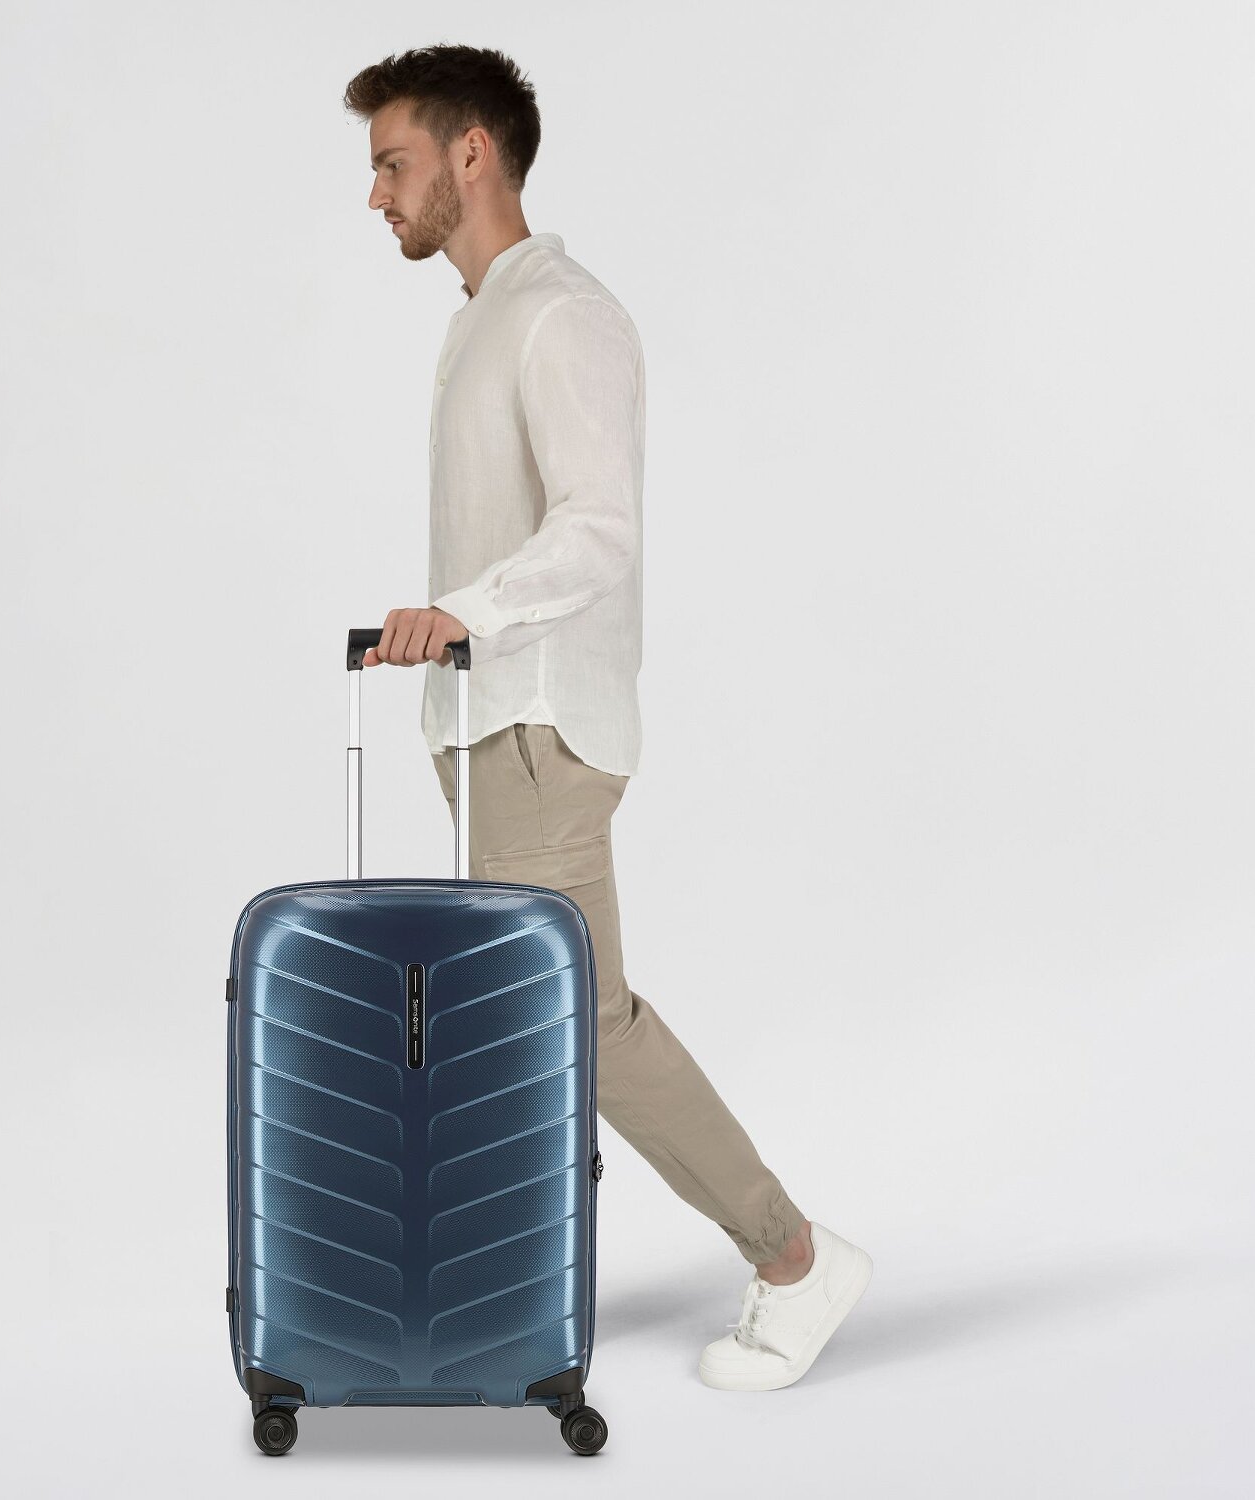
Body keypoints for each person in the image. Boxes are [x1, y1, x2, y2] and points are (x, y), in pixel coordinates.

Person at [341, 43, 871, 1391]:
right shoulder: (481, 319)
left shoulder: (561, 314)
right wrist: (446, 646)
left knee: (583, 1020)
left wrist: (462, 612)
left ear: (473, 153)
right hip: (483, 734)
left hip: (537, 732)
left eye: (394, 163)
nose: (376, 195)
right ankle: (507, 1286)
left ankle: (795, 1258)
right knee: (516, 1026)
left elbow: (599, 531)